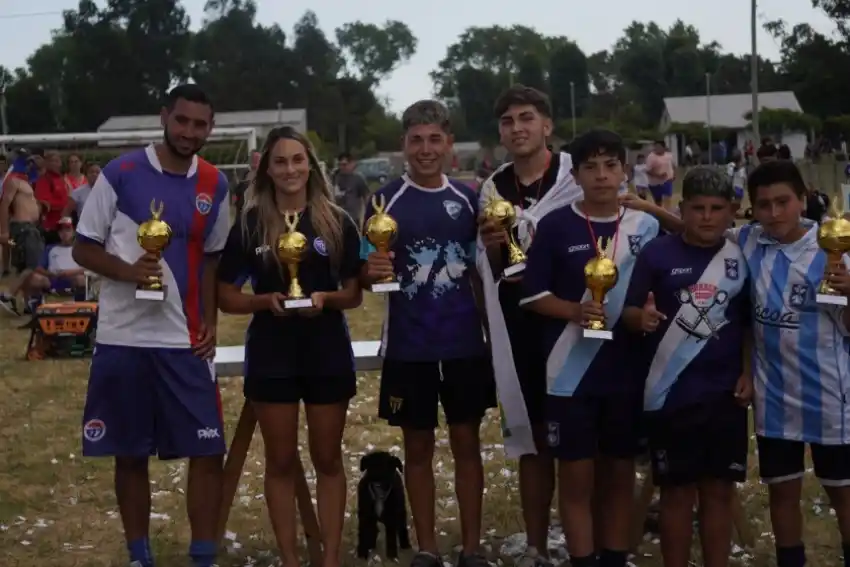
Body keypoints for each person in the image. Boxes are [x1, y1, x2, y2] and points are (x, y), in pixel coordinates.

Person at [72, 84, 229, 567]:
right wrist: (128, 271)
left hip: (185, 341)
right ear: (165, 117)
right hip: (125, 338)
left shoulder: (216, 184)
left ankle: (202, 556)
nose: (189, 132)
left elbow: (212, 260)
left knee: (207, 449)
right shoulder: (121, 173)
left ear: (211, 128)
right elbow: (83, 247)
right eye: (181, 121)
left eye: (199, 124)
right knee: (130, 452)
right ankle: (140, 556)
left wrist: (211, 322)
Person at [217, 126, 362, 567]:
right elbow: (225, 295)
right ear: (267, 169)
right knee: (280, 462)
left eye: (297, 160)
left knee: (327, 458)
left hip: (326, 351)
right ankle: (290, 559)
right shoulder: (249, 224)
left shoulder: (337, 220)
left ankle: (331, 558)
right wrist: (264, 301)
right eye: (280, 161)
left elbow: (354, 293)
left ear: (310, 165)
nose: (290, 169)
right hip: (272, 354)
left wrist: (326, 300)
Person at [360, 99, 495, 567]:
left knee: (467, 446)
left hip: (462, 345)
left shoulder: (470, 198)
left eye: (434, 138)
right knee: (416, 450)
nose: (425, 149)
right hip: (409, 347)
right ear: (403, 144)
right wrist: (369, 268)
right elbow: (364, 271)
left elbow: (483, 271)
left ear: (449, 144)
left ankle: (473, 547)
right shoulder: (382, 202)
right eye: (416, 140)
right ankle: (427, 548)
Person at [519, 129, 660, 567]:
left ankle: (615, 557)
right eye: (591, 167)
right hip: (568, 372)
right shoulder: (556, 225)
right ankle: (582, 558)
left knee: (619, 472)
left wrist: (645, 314)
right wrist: (573, 311)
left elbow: (654, 292)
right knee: (576, 476)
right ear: (576, 174)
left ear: (624, 169)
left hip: (626, 371)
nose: (602, 175)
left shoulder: (646, 225)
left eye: (611, 165)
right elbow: (531, 295)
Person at [622, 166, 752, 567]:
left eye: (717, 208)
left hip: (725, 397)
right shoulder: (656, 254)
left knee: (718, 493)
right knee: (676, 495)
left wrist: (749, 373)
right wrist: (637, 319)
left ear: (731, 211)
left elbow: (749, 324)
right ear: (683, 209)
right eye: (698, 208)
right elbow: (626, 310)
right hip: (670, 395)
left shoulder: (741, 256)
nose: (708, 217)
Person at [726, 160, 850, 567]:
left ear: (802, 200)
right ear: (752, 209)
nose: (774, 213)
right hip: (775, 396)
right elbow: (693, 228)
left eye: (783, 202)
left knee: (842, 494)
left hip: (831, 395)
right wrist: (645, 206)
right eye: (764, 205)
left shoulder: (837, 248)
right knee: (782, 493)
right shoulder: (747, 241)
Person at [477, 84, 582, 567]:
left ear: (547, 125)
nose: (517, 128)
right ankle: (537, 546)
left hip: (576, 319)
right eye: (507, 121)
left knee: (585, 440)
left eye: (526, 118)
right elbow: (493, 267)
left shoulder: (576, 174)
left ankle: (593, 543)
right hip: (521, 325)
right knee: (535, 436)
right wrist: (494, 242)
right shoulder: (492, 187)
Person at [0, 175, 45, 315]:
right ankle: (8, 295)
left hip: (26, 228)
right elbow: (4, 204)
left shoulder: (26, 183)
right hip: (23, 228)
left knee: (23, 267)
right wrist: (4, 231)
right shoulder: (14, 181)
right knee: (33, 264)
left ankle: (27, 304)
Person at [25, 216, 86, 300]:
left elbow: (88, 269)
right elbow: (39, 268)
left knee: (81, 279)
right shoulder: (50, 248)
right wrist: (50, 274)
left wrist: (69, 273)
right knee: (35, 278)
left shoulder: (80, 249)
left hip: (73, 279)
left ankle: (81, 304)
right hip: (53, 280)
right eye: (61, 230)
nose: (64, 233)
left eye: (67, 229)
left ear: (74, 231)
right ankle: (35, 304)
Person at [34, 150, 70, 245]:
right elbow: (43, 202)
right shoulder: (44, 179)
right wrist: (64, 205)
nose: (54, 163)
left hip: (63, 225)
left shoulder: (61, 179)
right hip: (51, 227)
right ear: (46, 163)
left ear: (61, 163)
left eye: (56, 161)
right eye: (51, 161)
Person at [332, 151, 370, 225]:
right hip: (337, 219)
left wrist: (369, 214)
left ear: (352, 164)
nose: (342, 167)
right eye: (340, 165)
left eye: (344, 164)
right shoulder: (334, 177)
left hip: (353, 219)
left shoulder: (358, 179)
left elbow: (366, 197)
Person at [646, 140, 674, 210]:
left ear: (663, 147)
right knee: (658, 202)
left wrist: (674, 174)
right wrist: (658, 175)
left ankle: (668, 214)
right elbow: (648, 171)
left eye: (659, 147)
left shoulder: (669, 155)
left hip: (667, 180)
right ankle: (660, 215)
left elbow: (672, 165)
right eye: (656, 147)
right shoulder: (651, 157)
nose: (657, 148)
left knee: (667, 197)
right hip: (655, 183)